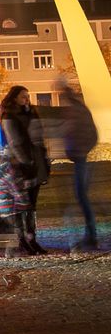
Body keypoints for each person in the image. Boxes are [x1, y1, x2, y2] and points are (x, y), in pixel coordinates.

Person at [0, 85, 50, 255]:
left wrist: (42, 163)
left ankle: (32, 239)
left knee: (32, 206)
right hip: (21, 168)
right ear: (14, 98)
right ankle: (22, 239)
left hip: (35, 165)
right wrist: (26, 162)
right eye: (23, 96)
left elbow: (38, 137)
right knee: (23, 205)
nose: (27, 99)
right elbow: (15, 142)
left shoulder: (29, 113)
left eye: (28, 96)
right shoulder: (9, 116)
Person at [58, 81, 99, 251]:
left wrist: (79, 151)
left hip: (80, 159)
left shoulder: (76, 111)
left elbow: (85, 133)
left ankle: (91, 236)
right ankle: (90, 235)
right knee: (82, 198)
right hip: (79, 158)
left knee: (82, 198)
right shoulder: (79, 109)